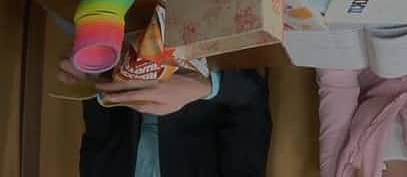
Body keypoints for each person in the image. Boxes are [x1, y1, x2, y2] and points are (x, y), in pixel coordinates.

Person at [57, 58, 272, 176]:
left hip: (124, 43)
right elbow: (252, 97)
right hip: (202, 49)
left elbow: (102, 124)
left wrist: (89, 76)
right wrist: (199, 87)